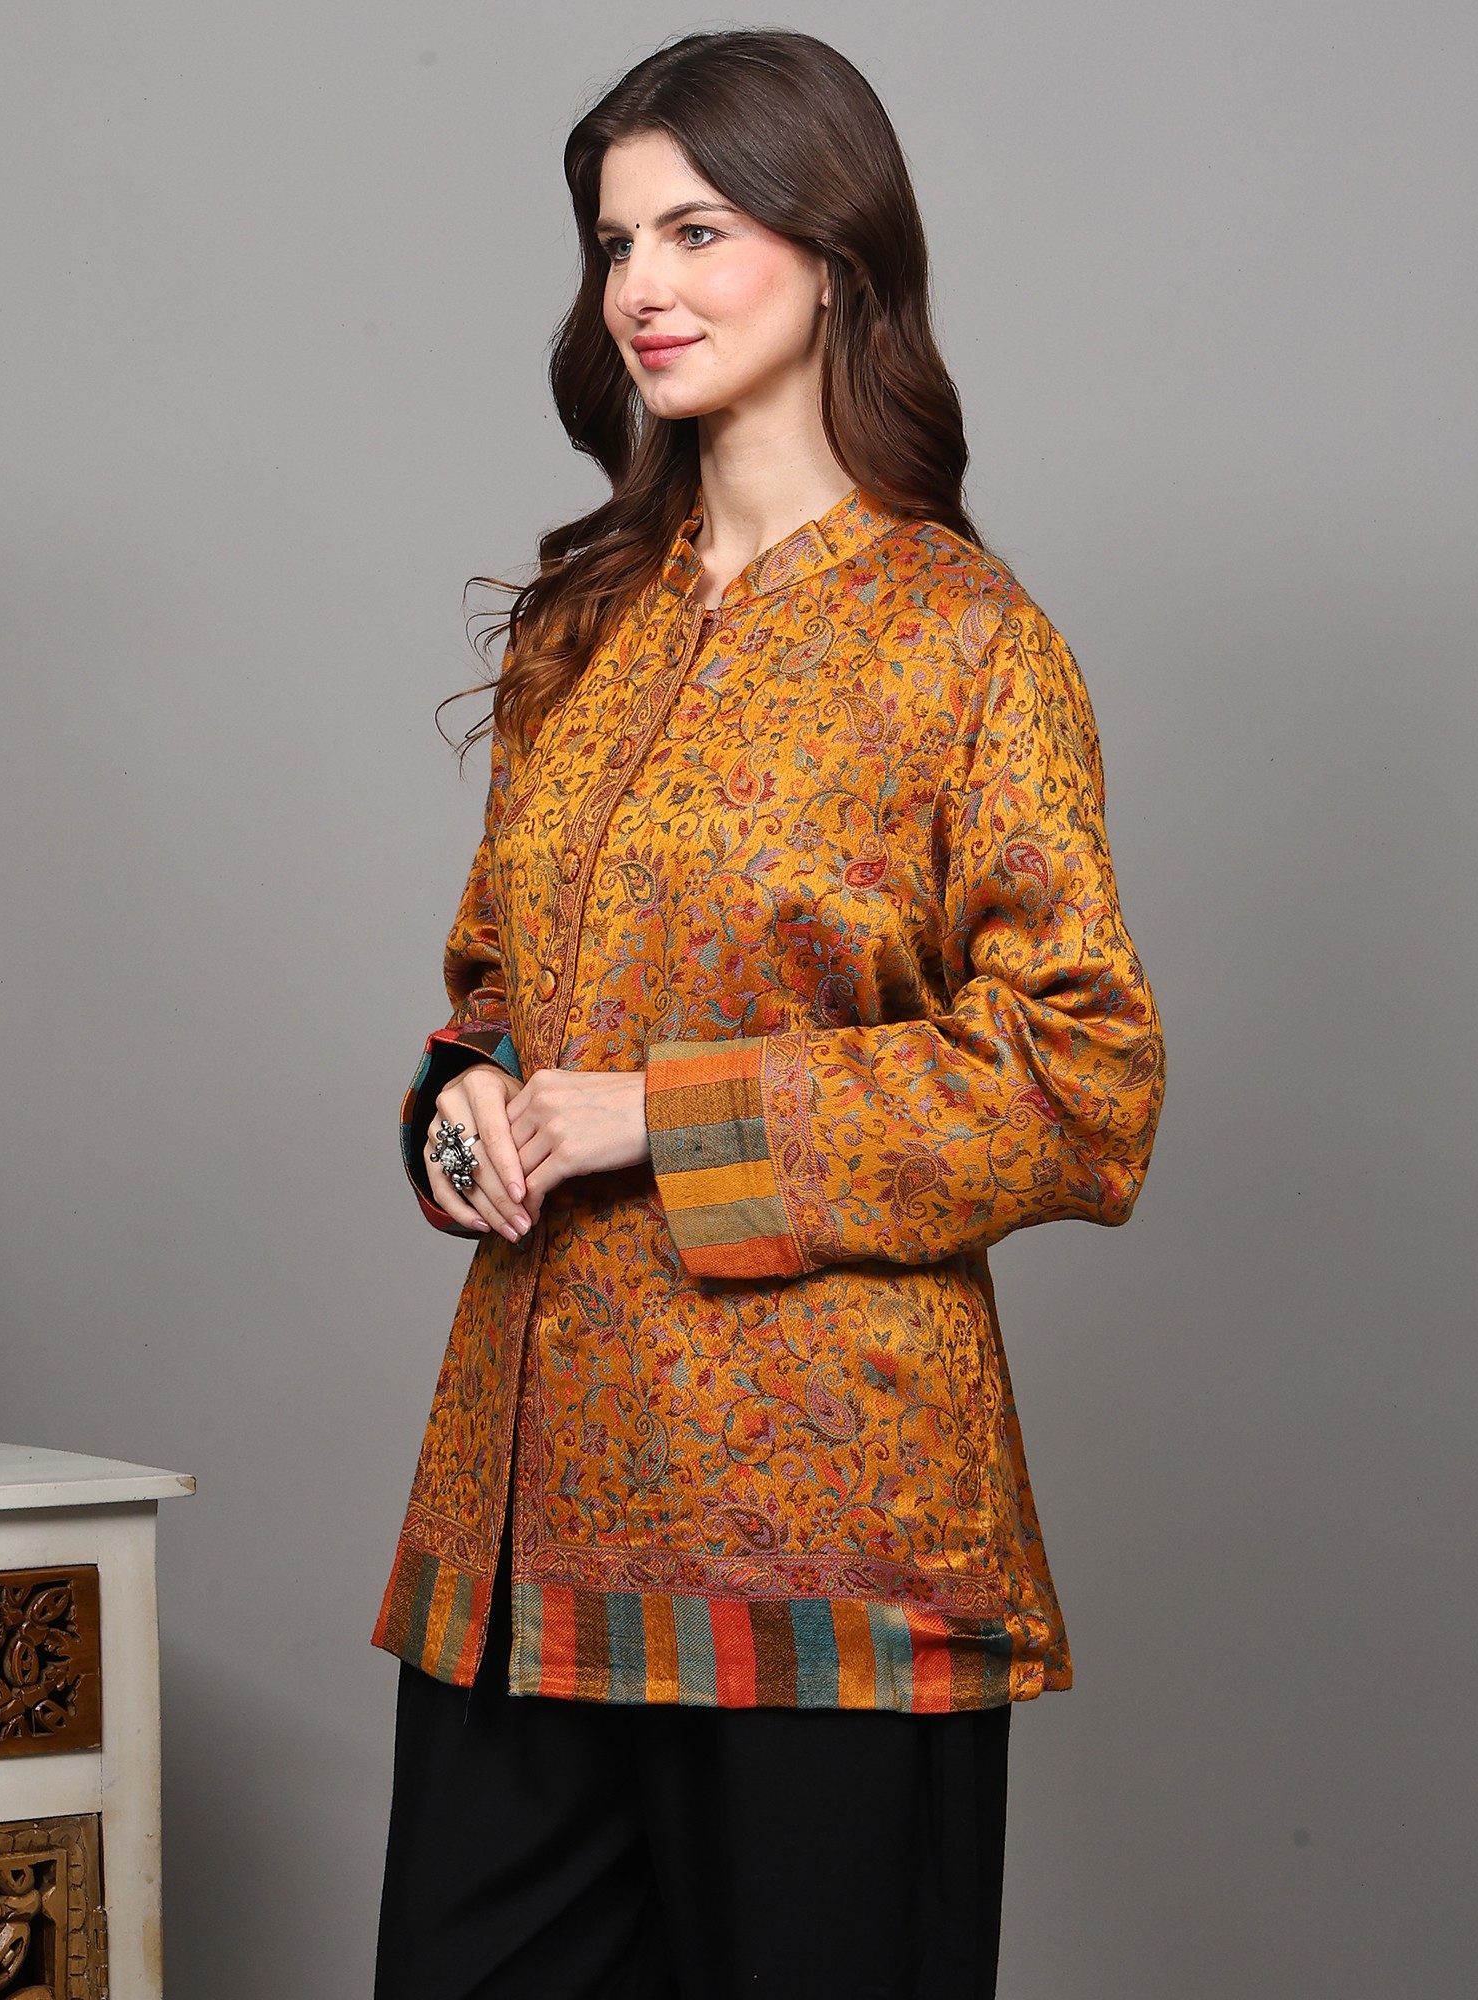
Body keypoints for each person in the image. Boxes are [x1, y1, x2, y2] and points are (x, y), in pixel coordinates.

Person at [371, 27, 1164, 2000]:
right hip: (525, 1535)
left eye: (697, 229)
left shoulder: (968, 644)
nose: (639, 286)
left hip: (831, 1556)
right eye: (614, 240)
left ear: (834, 253)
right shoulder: (578, 631)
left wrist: (660, 1113)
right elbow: (494, 988)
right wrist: (468, 1103)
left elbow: (1082, 1078)